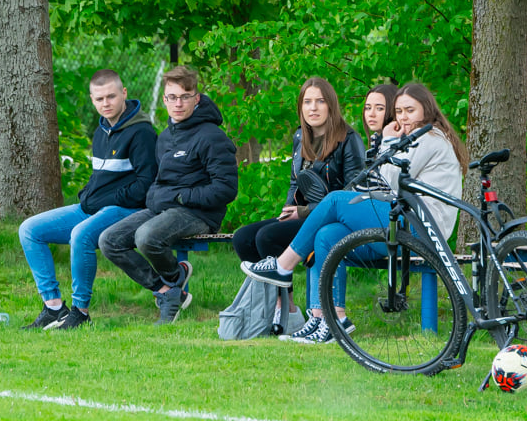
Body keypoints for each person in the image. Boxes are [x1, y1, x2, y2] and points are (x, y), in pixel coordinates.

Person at [242, 83, 468, 344]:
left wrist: (390, 139)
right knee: (328, 235)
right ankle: (329, 318)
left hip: (421, 230)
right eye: (400, 111)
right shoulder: (416, 138)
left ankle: (283, 266)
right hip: (402, 224)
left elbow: (388, 180)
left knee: (336, 200)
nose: (404, 117)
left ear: (427, 110)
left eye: (410, 110)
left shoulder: (429, 138)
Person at [99, 65, 238, 324]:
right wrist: (157, 198)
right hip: (163, 209)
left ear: (196, 98)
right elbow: (160, 182)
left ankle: (174, 281)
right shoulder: (164, 137)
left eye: (185, 97)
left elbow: (226, 189)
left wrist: (182, 197)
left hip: (199, 213)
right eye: (172, 97)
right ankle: (168, 288)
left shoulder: (211, 137)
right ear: (164, 99)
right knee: (109, 240)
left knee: (146, 236)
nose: (178, 103)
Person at [20, 70, 157, 330]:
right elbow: (102, 176)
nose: (105, 103)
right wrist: (88, 194)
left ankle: (80, 312)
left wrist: (103, 199)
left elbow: (145, 186)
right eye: (99, 99)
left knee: (80, 235)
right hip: (94, 207)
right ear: (92, 100)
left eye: (111, 97)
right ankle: (53, 308)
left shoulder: (142, 134)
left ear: (124, 93)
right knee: (29, 229)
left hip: (124, 210)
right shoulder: (102, 130)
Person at [234, 77, 365, 334]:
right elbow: (296, 183)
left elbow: (352, 194)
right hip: (303, 214)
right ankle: (285, 308)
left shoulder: (349, 139)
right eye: (307, 102)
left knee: (266, 238)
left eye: (320, 101)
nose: (313, 108)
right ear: (300, 107)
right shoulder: (300, 136)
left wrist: (305, 211)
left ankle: (287, 307)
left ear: (331, 106)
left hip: (331, 219)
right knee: (243, 238)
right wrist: (287, 210)